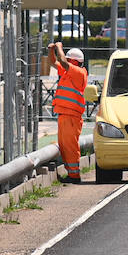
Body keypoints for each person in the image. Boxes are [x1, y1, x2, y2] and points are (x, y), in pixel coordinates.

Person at [49, 42, 88, 184]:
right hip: (64, 114)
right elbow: (53, 62)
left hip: (72, 116)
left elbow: (63, 62)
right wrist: (51, 50)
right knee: (64, 145)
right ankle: (71, 173)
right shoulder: (68, 72)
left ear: (74, 61)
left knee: (70, 146)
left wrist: (59, 47)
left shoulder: (79, 73)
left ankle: (75, 175)